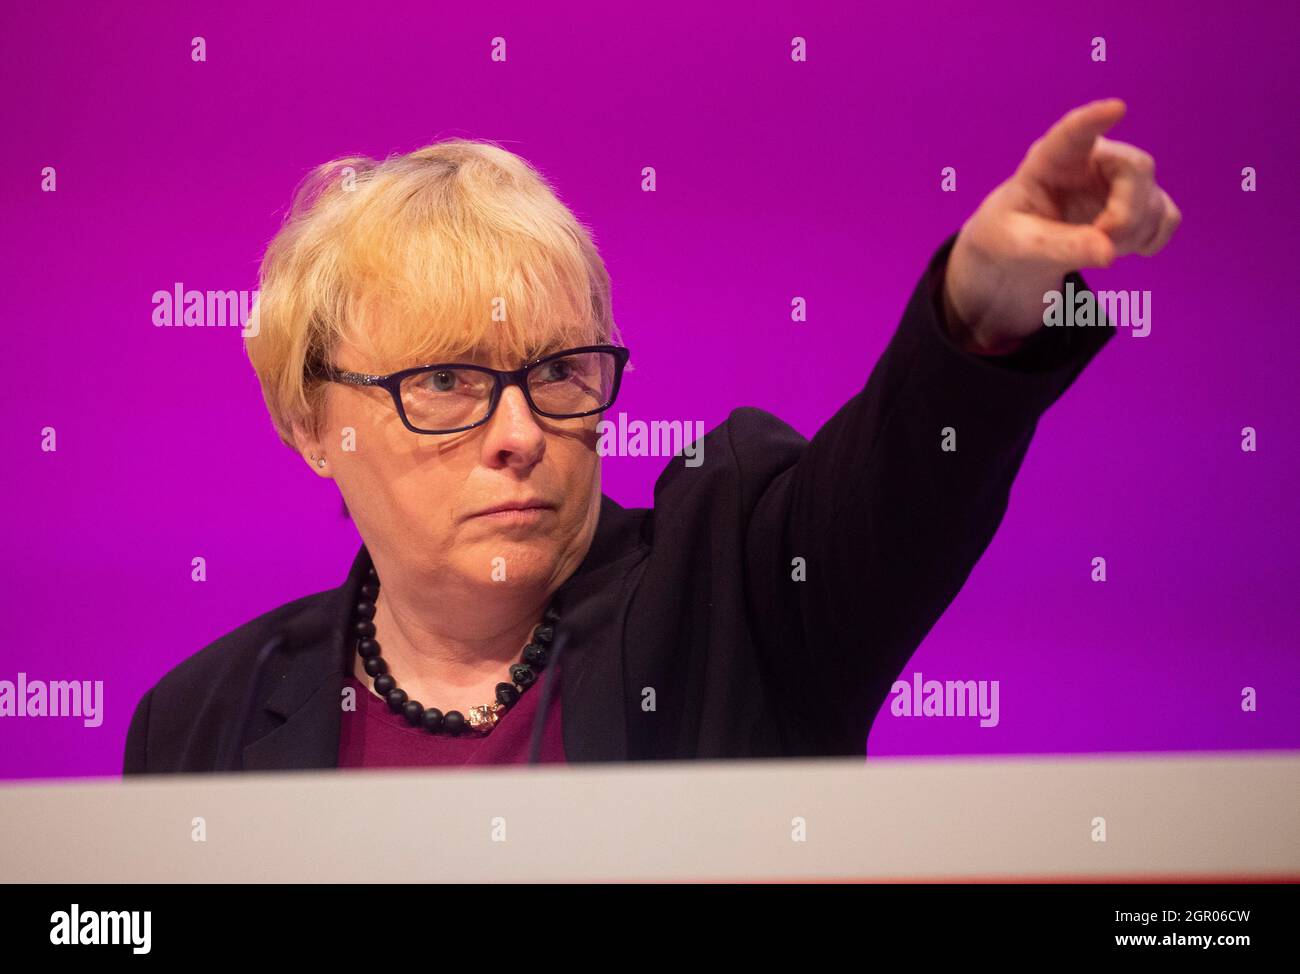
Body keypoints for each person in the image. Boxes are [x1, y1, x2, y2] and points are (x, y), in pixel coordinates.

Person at [123, 98, 1179, 773]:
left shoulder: (740, 586)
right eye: (445, 381)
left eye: (556, 373)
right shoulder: (202, 719)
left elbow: (902, 480)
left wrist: (988, 298)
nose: (519, 432)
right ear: (313, 421)